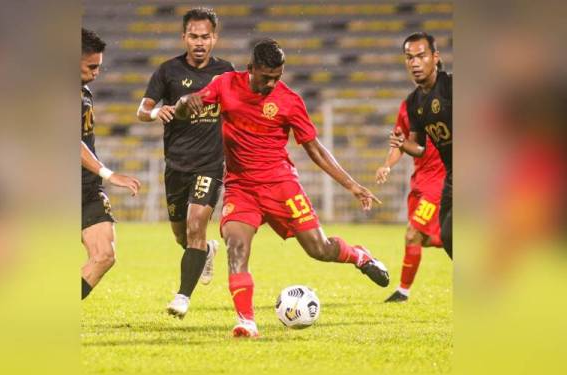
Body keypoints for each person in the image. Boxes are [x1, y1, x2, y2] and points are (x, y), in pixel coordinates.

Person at [175, 39, 390, 338]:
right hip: (241, 187)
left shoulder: (289, 100)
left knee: (320, 249)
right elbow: (184, 109)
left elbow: (314, 148)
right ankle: (246, 321)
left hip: (281, 185)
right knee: (236, 246)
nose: (272, 83)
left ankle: (359, 256)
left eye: (278, 77)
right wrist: (186, 102)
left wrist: (352, 185)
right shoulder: (225, 84)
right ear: (250, 69)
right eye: (266, 78)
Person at [136, 8, 234, 318]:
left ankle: (182, 297)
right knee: (182, 236)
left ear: (214, 38)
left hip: (210, 164)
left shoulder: (227, 73)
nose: (200, 42)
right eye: (193, 36)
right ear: (184, 37)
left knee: (195, 226)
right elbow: (142, 109)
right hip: (176, 166)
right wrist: (156, 113)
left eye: (205, 36)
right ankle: (206, 251)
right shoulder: (168, 71)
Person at [81, 28, 141, 300]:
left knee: (104, 255)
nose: (96, 73)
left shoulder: (83, 91)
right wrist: (108, 173)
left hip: (85, 186)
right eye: (91, 66)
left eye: (99, 67)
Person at [390, 32, 452, 259]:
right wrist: (400, 147)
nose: (414, 63)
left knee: (417, 234)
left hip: (458, 176)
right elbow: (419, 147)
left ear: (435, 57)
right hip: (441, 178)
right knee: (447, 237)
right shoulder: (413, 103)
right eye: (409, 57)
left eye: (421, 56)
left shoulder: (451, 88)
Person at [375, 100, 445, 302]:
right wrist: (387, 165)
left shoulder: (449, 101)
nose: (415, 66)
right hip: (419, 182)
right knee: (422, 238)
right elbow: (400, 143)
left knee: (412, 233)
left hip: (439, 183)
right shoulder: (408, 106)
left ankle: (403, 292)